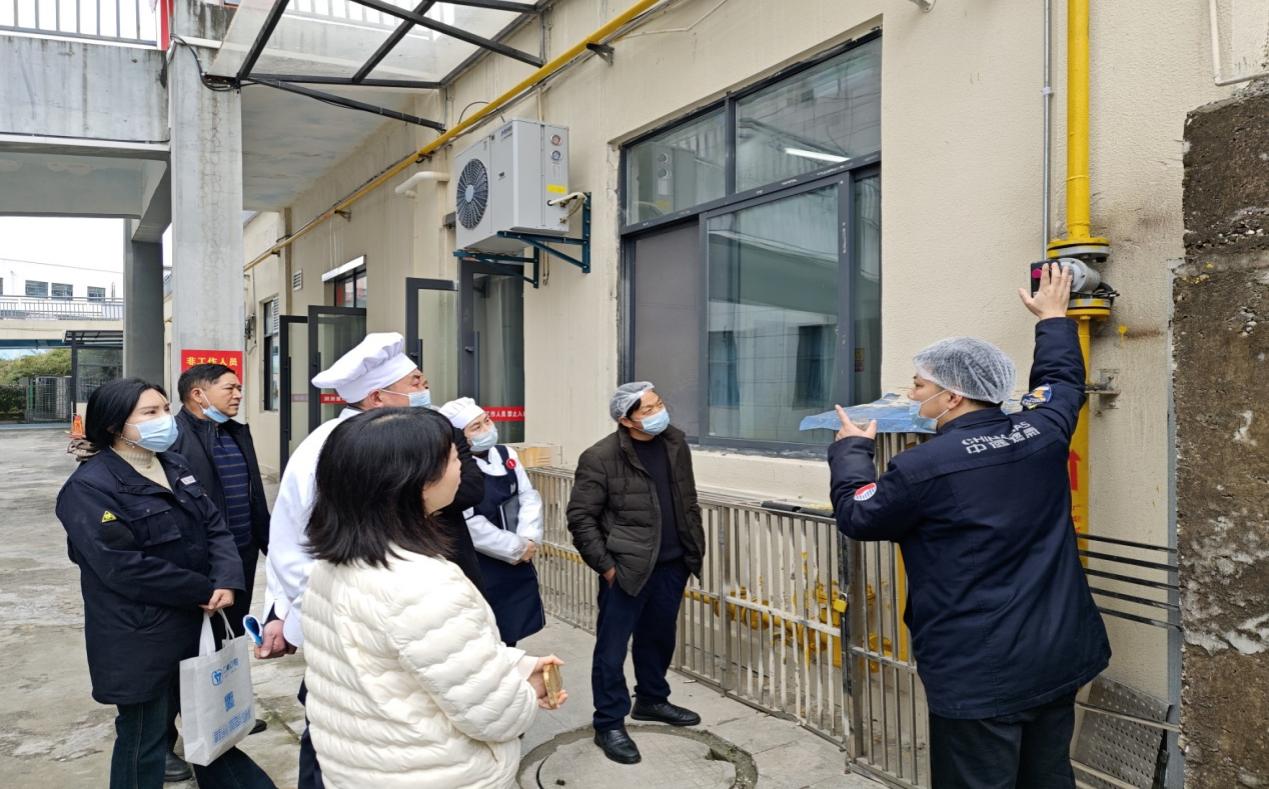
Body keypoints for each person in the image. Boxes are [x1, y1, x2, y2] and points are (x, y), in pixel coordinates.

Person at [827, 264, 1111, 789]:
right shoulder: (1042, 431)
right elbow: (1060, 382)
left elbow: (857, 514)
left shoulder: (921, 467)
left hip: (981, 673)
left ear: (953, 396)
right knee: (1047, 775)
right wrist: (1053, 319)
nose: (911, 393)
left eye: (919, 384)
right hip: (1058, 654)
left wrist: (851, 452)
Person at [258, 332, 483, 789]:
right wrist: (300, 612)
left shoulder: (391, 439)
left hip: (386, 617)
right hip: (355, 623)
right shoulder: (336, 447)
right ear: (378, 397)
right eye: (414, 383)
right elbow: (294, 540)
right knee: (336, 731)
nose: (424, 390)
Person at [301, 407, 567, 788]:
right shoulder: (424, 585)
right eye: (455, 457)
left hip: (364, 767)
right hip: (435, 773)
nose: (463, 467)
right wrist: (529, 689)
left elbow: (410, 658)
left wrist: (515, 664)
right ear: (417, 481)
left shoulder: (332, 565)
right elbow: (496, 715)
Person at [55, 378, 275, 789]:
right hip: (142, 635)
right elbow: (122, 566)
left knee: (212, 725)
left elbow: (216, 527)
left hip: (197, 626)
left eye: (164, 409)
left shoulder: (173, 466)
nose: (164, 420)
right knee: (145, 739)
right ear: (114, 425)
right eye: (149, 413)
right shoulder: (90, 487)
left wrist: (227, 578)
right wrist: (201, 589)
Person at [566, 382, 707, 765]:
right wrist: (607, 567)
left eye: (659, 404)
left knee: (659, 637)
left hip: (673, 563)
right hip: (627, 569)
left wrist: (691, 549)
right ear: (625, 420)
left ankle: (652, 700)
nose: (659, 412)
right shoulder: (600, 457)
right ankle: (608, 722)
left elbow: (687, 498)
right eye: (648, 409)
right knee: (611, 651)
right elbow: (581, 518)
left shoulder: (675, 443)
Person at [168, 363, 270, 776]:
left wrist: (268, 545)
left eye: (239, 387)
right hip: (202, 563)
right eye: (229, 388)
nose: (238, 394)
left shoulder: (234, 433)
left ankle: (226, 715)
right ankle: (163, 744)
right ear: (198, 394)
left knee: (227, 643)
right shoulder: (175, 437)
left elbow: (253, 495)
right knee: (186, 652)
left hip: (240, 558)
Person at [440, 397, 546, 647]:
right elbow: (470, 522)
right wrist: (514, 548)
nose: (487, 429)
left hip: (519, 555)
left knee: (513, 624)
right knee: (487, 627)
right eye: (476, 427)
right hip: (483, 560)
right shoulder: (457, 468)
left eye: (487, 421)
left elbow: (527, 496)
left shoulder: (506, 454)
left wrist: (528, 539)